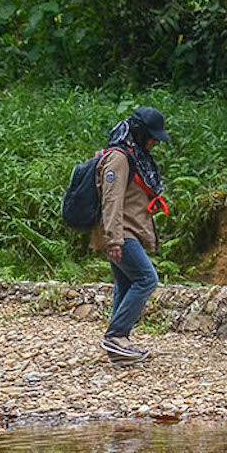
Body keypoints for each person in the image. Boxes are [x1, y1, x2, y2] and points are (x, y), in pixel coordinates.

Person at [91, 106, 172, 365]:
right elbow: (111, 200)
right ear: (139, 133)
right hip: (121, 233)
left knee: (125, 284)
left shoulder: (135, 157)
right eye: (152, 136)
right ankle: (116, 336)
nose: (155, 142)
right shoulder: (119, 159)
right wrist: (114, 239)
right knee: (147, 279)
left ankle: (118, 349)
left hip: (128, 232)